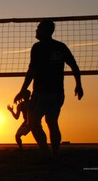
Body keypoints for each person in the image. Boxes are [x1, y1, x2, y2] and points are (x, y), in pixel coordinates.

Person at [14, 20, 83, 156]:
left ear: (45, 31)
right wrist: (79, 85)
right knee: (52, 122)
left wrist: (22, 90)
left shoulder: (38, 48)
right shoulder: (61, 46)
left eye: (38, 28)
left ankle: (46, 152)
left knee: (33, 122)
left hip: (41, 93)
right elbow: (74, 66)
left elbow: (31, 71)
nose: (36, 31)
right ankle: (54, 155)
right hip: (57, 93)